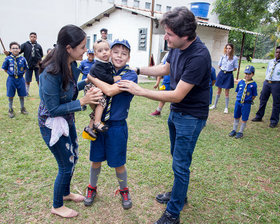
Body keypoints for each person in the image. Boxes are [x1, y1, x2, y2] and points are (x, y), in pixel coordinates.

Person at [118, 7, 211, 224]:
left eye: (169, 34)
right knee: (176, 158)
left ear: (185, 35)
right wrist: (136, 70)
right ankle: (180, 193)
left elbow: (178, 95)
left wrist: (140, 90)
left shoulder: (199, 56)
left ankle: (173, 212)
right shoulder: (176, 47)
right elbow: (164, 69)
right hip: (177, 113)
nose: (165, 37)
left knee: (180, 164)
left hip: (191, 116)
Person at [38, 24, 103, 218]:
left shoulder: (72, 65)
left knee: (73, 156)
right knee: (65, 165)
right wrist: (83, 101)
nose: (86, 50)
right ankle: (57, 206)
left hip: (67, 120)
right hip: (52, 124)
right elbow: (53, 108)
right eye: (82, 47)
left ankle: (65, 194)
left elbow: (72, 86)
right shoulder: (50, 73)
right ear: (69, 48)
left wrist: (88, 83)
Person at [84, 39, 137, 210]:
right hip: (100, 125)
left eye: (124, 53)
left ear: (128, 57)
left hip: (117, 126)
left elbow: (110, 90)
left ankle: (124, 190)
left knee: (118, 162)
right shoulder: (103, 68)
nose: (119, 56)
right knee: (95, 160)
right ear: (109, 53)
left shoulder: (130, 75)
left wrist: (91, 77)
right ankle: (92, 188)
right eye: (115, 52)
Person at [83, 40, 121, 139]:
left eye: (106, 49)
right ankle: (97, 123)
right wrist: (114, 79)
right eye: (100, 51)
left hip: (98, 87)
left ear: (110, 51)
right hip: (92, 88)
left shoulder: (107, 63)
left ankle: (89, 127)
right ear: (95, 54)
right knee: (101, 102)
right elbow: (105, 78)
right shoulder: (98, 65)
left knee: (98, 109)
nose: (104, 52)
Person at [251, 46, 280, 128]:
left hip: (277, 84)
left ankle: (274, 121)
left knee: (276, 103)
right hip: (267, 83)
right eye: (276, 52)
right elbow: (268, 71)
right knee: (263, 100)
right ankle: (259, 116)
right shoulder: (271, 62)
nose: (278, 54)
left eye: (279, 52)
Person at [228, 65, 257, 139]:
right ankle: (234, 130)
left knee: (244, 118)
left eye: (249, 74)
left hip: (246, 104)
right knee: (236, 116)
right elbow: (238, 91)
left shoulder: (253, 84)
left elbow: (254, 95)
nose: (247, 75)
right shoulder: (241, 82)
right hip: (238, 103)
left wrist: (248, 100)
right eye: (246, 73)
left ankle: (240, 132)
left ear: (252, 74)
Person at [2, 42, 29, 118]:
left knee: (22, 94)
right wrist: (11, 74)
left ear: (19, 49)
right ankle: (10, 109)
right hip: (11, 79)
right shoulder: (8, 59)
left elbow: (25, 68)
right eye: (13, 48)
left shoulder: (22, 59)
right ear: (10, 49)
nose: (15, 49)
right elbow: (5, 68)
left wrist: (20, 74)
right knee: (10, 95)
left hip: (20, 79)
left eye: (17, 48)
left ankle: (22, 108)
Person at [210, 43, 238, 113]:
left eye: (229, 48)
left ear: (232, 49)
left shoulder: (234, 58)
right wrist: (223, 69)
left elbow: (235, 68)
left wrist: (229, 70)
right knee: (218, 90)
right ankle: (214, 105)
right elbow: (219, 65)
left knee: (226, 92)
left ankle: (226, 108)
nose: (228, 50)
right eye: (227, 48)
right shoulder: (222, 56)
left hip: (229, 75)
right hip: (221, 74)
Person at [150, 52, 170, 116]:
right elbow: (161, 69)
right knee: (163, 95)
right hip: (166, 81)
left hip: (177, 82)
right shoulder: (168, 54)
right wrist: (157, 82)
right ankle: (158, 111)